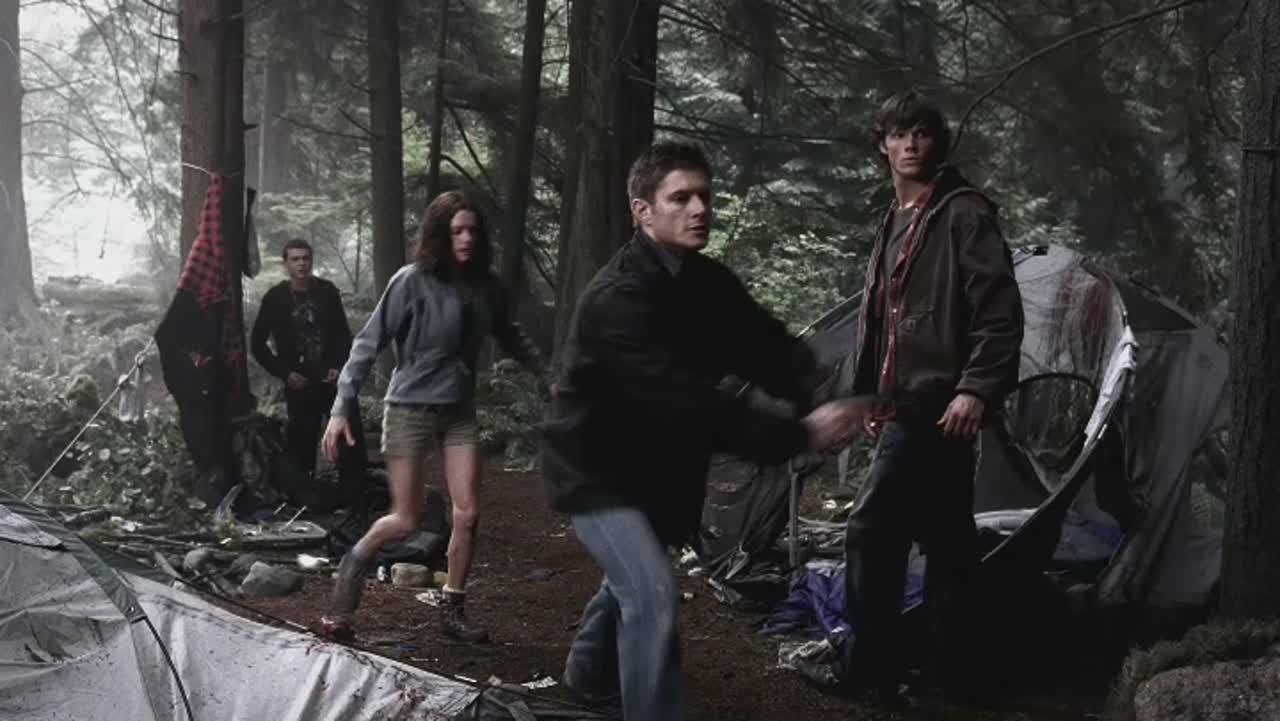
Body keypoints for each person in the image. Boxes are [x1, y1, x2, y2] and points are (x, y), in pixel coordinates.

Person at [540, 141, 880, 721]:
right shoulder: (616, 300)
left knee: (631, 581)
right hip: (597, 473)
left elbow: (765, 347)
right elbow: (686, 403)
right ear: (642, 210)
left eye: (704, 196)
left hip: (660, 471)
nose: (699, 209)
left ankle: (586, 675)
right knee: (651, 594)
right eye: (681, 198)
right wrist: (799, 435)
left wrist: (826, 398)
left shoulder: (706, 281)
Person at [839, 90, 1024, 706]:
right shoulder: (895, 220)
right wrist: (872, 396)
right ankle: (949, 680)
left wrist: (977, 388)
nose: (911, 143)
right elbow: (883, 319)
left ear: (936, 142)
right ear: (883, 145)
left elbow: (998, 311)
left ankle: (869, 670)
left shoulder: (962, 213)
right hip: (908, 404)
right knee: (947, 542)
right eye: (899, 133)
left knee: (871, 530)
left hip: (939, 402)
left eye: (922, 132)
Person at [319, 190, 547, 643]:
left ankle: (453, 608)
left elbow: (511, 335)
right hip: (409, 409)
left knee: (468, 513)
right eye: (456, 231)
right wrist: (341, 407)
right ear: (440, 235)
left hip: (458, 412)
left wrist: (549, 376)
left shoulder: (487, 286)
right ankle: (350, 576)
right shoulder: (411, 281)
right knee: (406, 519)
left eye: (472, 231)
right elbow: (367, 344)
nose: (466, 238)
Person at [250, 238, 367, 483]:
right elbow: (257, 344)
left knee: (350, 440)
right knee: (301, 448)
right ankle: (306, 496)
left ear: (311, 261)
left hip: (332, 381)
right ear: (286, 263)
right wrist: (285, 373)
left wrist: (338, 366)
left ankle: (356, 490)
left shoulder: (327, 292)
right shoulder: (275, 298)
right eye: (295, 259)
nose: (301, 264)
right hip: (299, 384)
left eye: (305, 258)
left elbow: (343, 335)